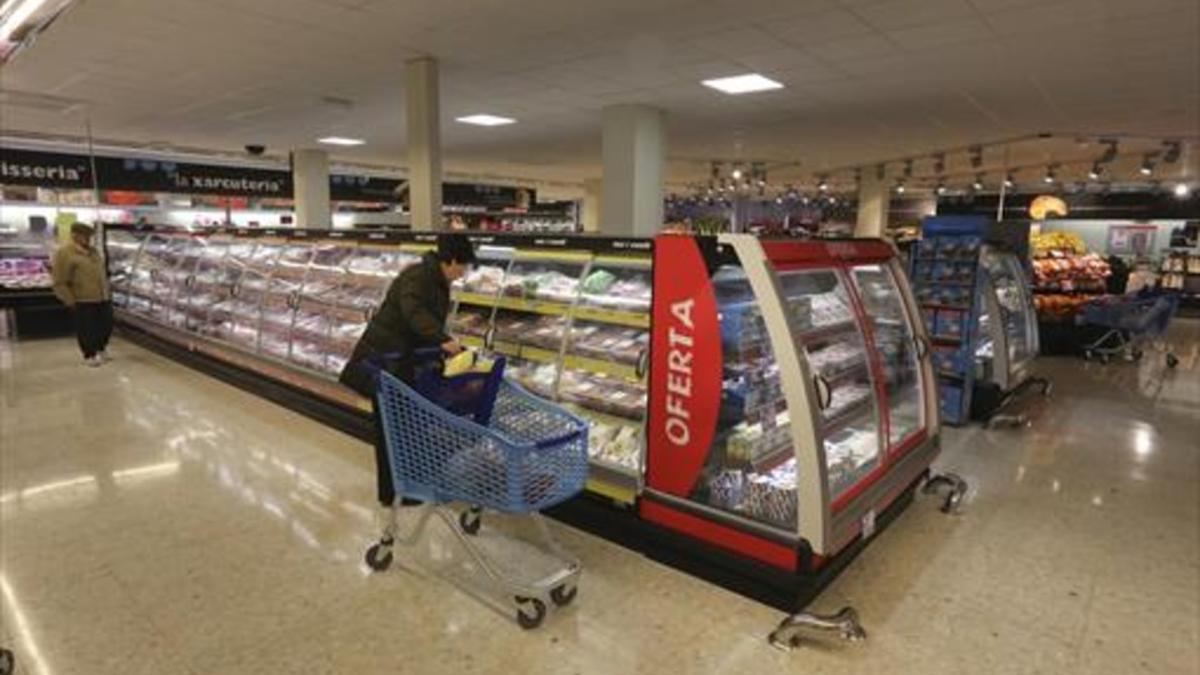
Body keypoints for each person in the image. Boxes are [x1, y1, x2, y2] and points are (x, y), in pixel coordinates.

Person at [339, 233, 476, 507]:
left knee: (404, 426)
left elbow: (423, 319)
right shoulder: (418, 277)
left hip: (402, 362)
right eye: (464, 266)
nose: (464, 272)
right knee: (390, 428)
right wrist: (443, 340)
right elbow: (415, 314)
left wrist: (441, 345)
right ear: (450, 261)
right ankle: (392, 493)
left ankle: (409, 486)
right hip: (384, 360)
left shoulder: (435, 278)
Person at [51, 223, 112, 367]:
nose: (89, 240)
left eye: (90, 236)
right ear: (75, 235)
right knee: (87, 328)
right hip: (83, 298)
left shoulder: (94, 252)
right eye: (86, 236)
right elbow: (60, 280)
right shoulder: (65, 252)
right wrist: (70, 300)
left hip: (102, 296)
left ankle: (101, 347)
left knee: (105, 325)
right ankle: (89, 354)